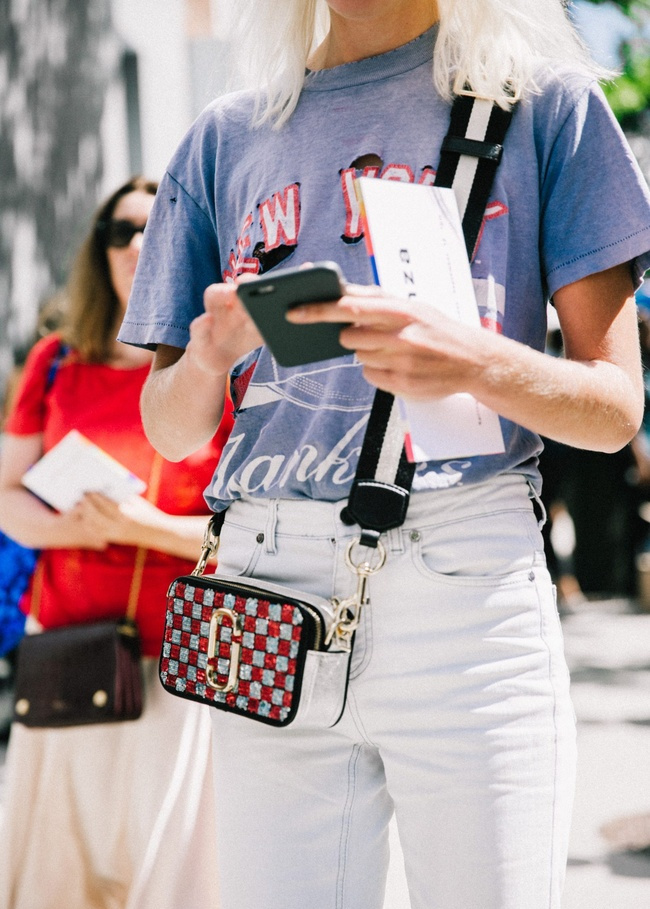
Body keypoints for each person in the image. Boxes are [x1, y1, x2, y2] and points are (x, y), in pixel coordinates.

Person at [118, 3, 650, 907]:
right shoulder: (224, 136)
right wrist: (207, 356)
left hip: (463, 590)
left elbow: (613, 409)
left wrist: (473, 361)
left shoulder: (542, 107)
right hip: (266, 590)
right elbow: (168, 430)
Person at [0, 176, 233, 909]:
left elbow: (249, 535)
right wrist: (76, 525)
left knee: (172, 877)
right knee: (61, 877)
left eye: (154, 226)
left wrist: (139, 527)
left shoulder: (226, 370)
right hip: (68, 652)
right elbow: (7, 496)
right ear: (98, 251)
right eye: (119, 230)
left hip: (185, 663)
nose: (136, 244)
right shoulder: (55, 361)